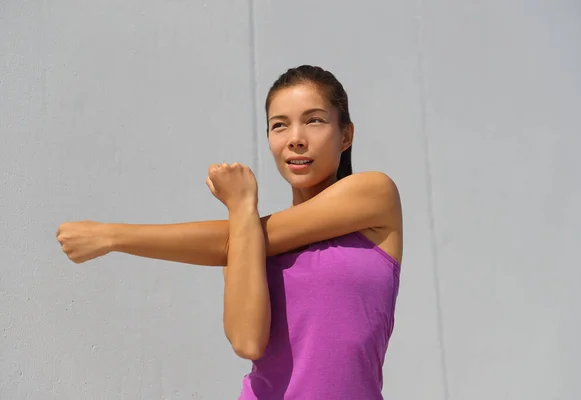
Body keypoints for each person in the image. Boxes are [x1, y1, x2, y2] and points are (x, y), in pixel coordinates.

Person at [56, 65, 403, 399]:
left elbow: (231, 239)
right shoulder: (244, 243)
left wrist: (111, 236)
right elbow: (247, 342)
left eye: (314, 121)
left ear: (346, 135)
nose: (296, 139)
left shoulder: (374, 194)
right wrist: (241, 212)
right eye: (279, 125)